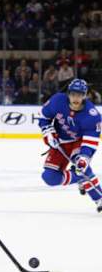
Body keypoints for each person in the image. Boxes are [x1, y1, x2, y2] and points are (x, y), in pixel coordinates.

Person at [39, 78, 102, 212]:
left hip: (78, 142)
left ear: (85, 95)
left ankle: (99, 198)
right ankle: (79, 177)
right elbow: (44, 117)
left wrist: (83, 159)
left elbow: (90, 142)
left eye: (80, 95)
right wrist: (48, 133)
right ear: (68, 93)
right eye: (73, 94)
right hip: (60, 143)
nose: (76, 98)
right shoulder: (57, 100)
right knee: (49, 178)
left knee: (82, 166)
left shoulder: (92, 115)